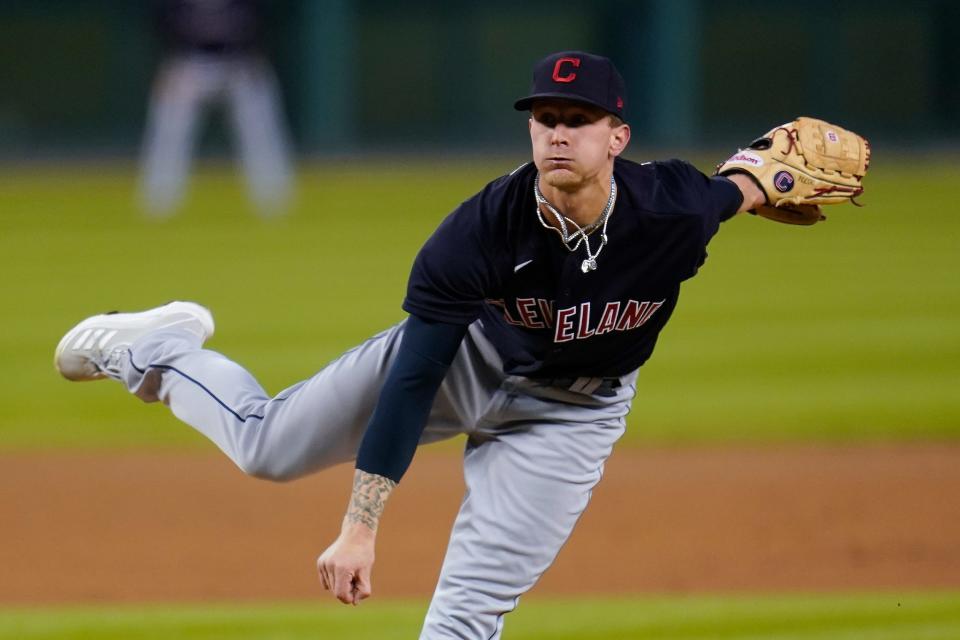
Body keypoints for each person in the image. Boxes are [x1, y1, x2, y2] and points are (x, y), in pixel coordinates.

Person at [59, 51, 768, 639]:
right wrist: (360, 527)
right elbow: (415, 373)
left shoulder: (671, 211)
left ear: (617, 136)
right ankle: (161, 349)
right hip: (467, 362)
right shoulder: (478, 231)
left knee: (465, 616)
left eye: (578, 121)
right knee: (265, 447)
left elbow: (741, 188)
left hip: (570, 418)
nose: (557, 133)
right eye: (546, 119)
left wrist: (776, 175)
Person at [138, 0, 294, 218]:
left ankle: (275, 198)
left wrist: (257, 57)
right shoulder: (174, 5)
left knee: (260, 126)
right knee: (170, 129)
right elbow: (161, 27)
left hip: (241, 63)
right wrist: (169, 64)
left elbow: (263, 24)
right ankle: (159, 200)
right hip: (188, 64)